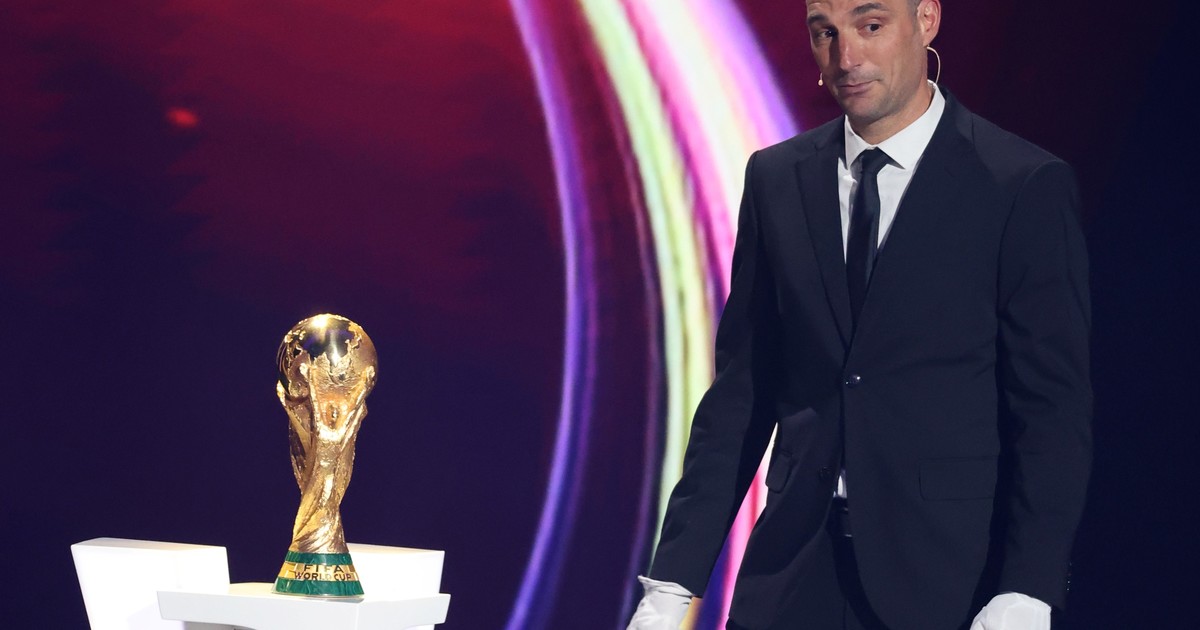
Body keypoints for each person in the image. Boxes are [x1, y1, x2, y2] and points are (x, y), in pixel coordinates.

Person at [627, 1, 1091, 629]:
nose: (846, 58)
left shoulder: (1019, 184)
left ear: (926, 20)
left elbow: (1052, 411)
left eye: (871, 26)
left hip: (947, 579)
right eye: (825, 32)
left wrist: (1028, 588)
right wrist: (673, 583)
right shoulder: (777, 178)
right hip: (792, 573)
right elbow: (742, 393)